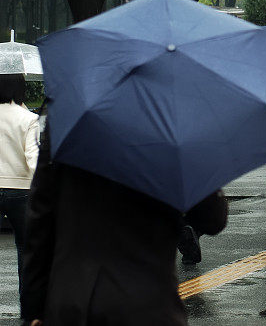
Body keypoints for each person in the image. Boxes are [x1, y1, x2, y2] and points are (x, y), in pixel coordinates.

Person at [22, 126, 228, 325]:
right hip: (148, 305)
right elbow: (212, 218)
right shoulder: (168, 125)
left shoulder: (68, 118)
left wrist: (33, 309)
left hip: (74, 302)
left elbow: (40, 217)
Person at [0, 74, 39, 310]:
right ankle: (28, 309)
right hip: (21, 191)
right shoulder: (29, 119)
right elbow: (34, 160)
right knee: (26, 250)